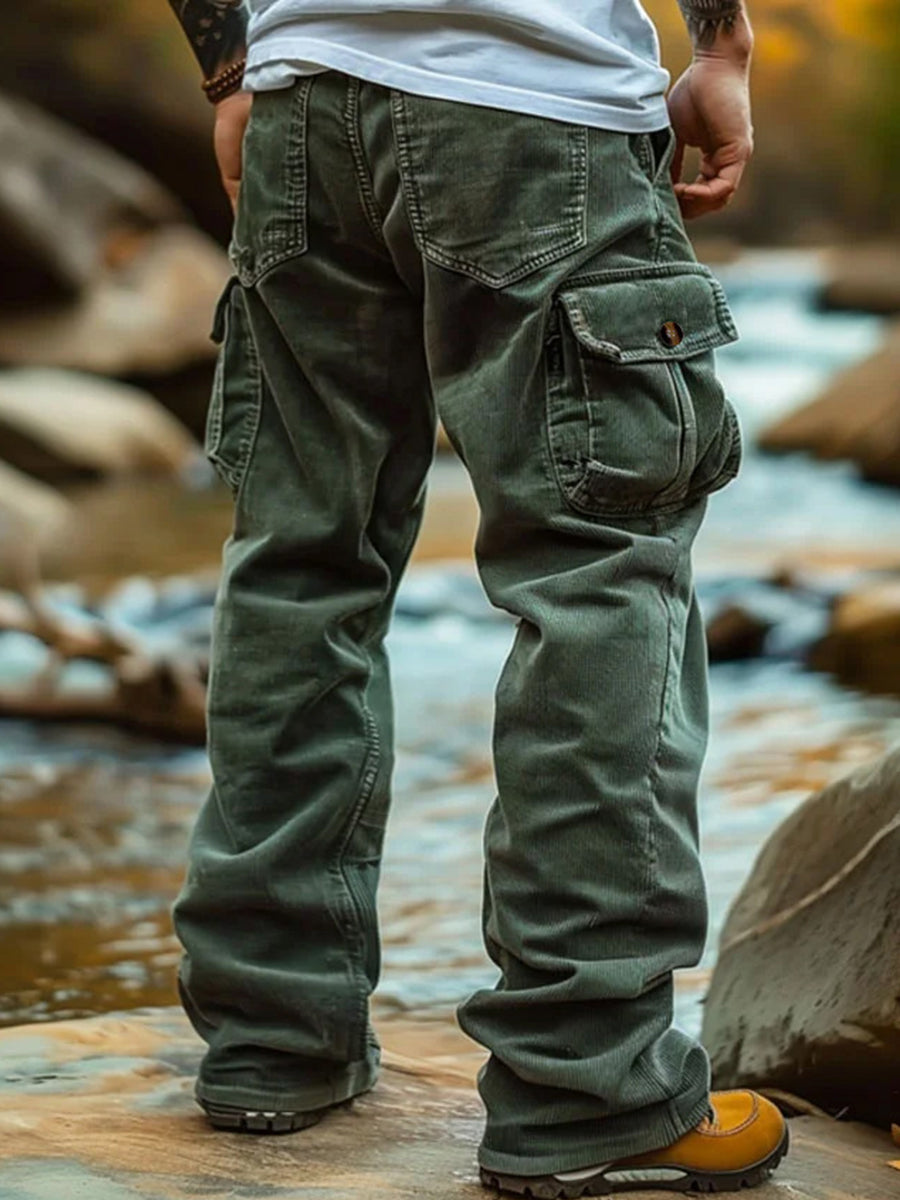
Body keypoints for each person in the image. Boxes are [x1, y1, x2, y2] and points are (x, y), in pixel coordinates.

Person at [168, 1, 789, 1193]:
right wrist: (719, 45)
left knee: (302, 565)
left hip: (308, 106)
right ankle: (585, 1086)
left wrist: (233, 72)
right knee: (599, 575)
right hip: (533, 103)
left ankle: (272, 1043)